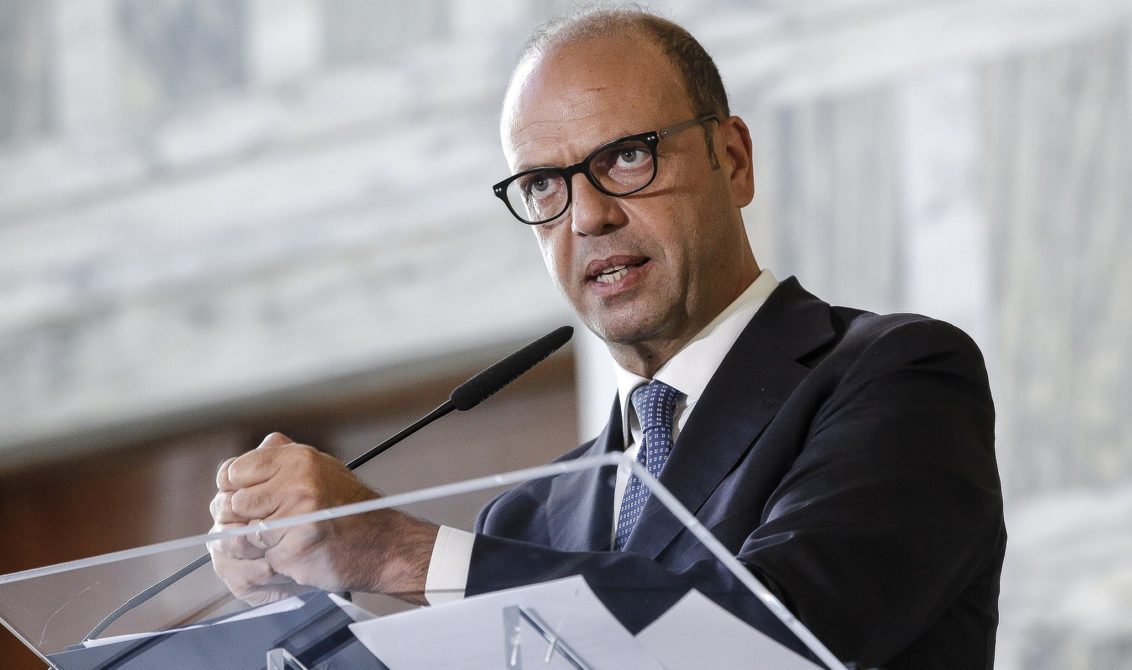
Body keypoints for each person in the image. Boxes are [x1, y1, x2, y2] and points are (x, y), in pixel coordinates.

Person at [208, 9, 1005, 669]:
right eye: (543, 185)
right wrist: (310, 608)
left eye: (627, 157)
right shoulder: (527, 520)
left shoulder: (896, 377)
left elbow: (777, 636)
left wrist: (394, 551)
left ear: (732, 159)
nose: (588, 217)